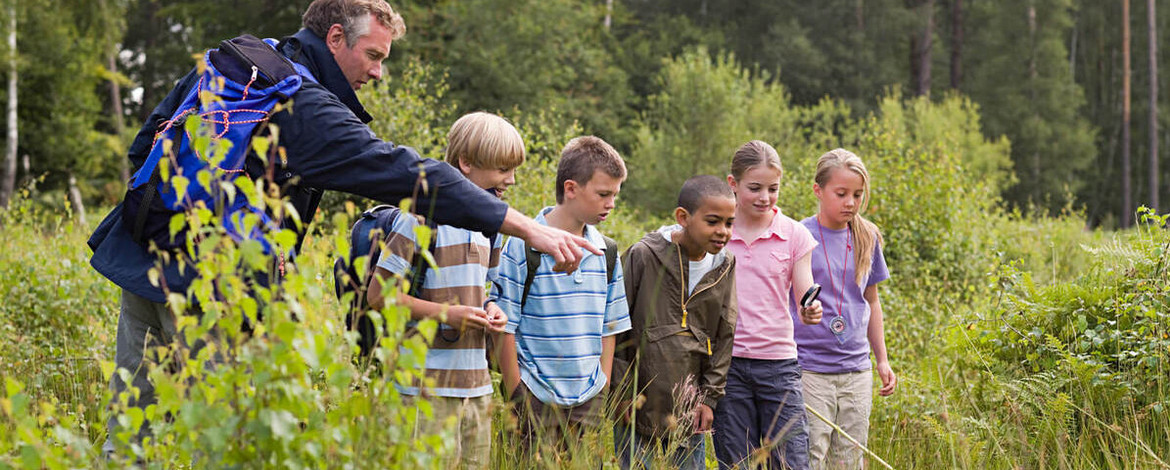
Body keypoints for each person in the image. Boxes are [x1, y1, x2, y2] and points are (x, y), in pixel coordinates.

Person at [89, 0, 598, 455]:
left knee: (131, 433)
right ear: (335, 39)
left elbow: (146, 142)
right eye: (374, 56)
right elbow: (405, 172)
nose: (378, 73)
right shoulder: (302, 104)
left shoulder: (244, 64)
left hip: (144, 260)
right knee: (222, 439)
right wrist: (526, 228)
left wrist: (162, 227)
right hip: (214, 290)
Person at [365, 112, 524, 468]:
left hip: (477, 389)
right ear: (466, 164)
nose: (510, 181)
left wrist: (492, 308)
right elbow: (378, 296)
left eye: (513, 171)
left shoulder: (492, 227)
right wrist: (447, 314)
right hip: (422, 390)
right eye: (502, 170)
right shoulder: (418, 220)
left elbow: (486, 290)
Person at [491, 136, 631, 454]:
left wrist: (603, 384)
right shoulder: (522, 245)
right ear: (571, 189)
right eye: (603, 194)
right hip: (534, 397)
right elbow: (504, 325)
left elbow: (610, 326)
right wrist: (517, 392)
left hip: (588, 399)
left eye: (615, 195)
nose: (611, 204)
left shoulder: (606, 252)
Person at [612, 175, 739, 470]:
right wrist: (620, 392)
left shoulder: (725, 265)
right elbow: (616, 325)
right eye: (712, 221)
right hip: (636, 403)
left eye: (729, 223)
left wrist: (709, 398)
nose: (723, 231)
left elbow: (724, 333)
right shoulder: (644, 255)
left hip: (688, 408)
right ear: (683, 217)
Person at [713, 140, 824, 470]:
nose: (764, 197)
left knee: (790, 460)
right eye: (755, 188)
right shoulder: (717, 232)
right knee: (737, 462)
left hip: (778, 365)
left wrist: (810, 310)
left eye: (773, 188)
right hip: (728, 366)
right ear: (733, 184)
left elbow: (804, 292)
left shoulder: (794, 234)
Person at [794, 148, 895, 470]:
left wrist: (882, 360)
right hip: (809, 367)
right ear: (818, 191)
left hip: (855, 369)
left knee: (849, 458)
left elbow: (872, 300)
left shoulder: (867, 236)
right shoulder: (798, 235)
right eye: (841, 194)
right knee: (811, 454)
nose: (850, 202)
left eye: (857, 195)